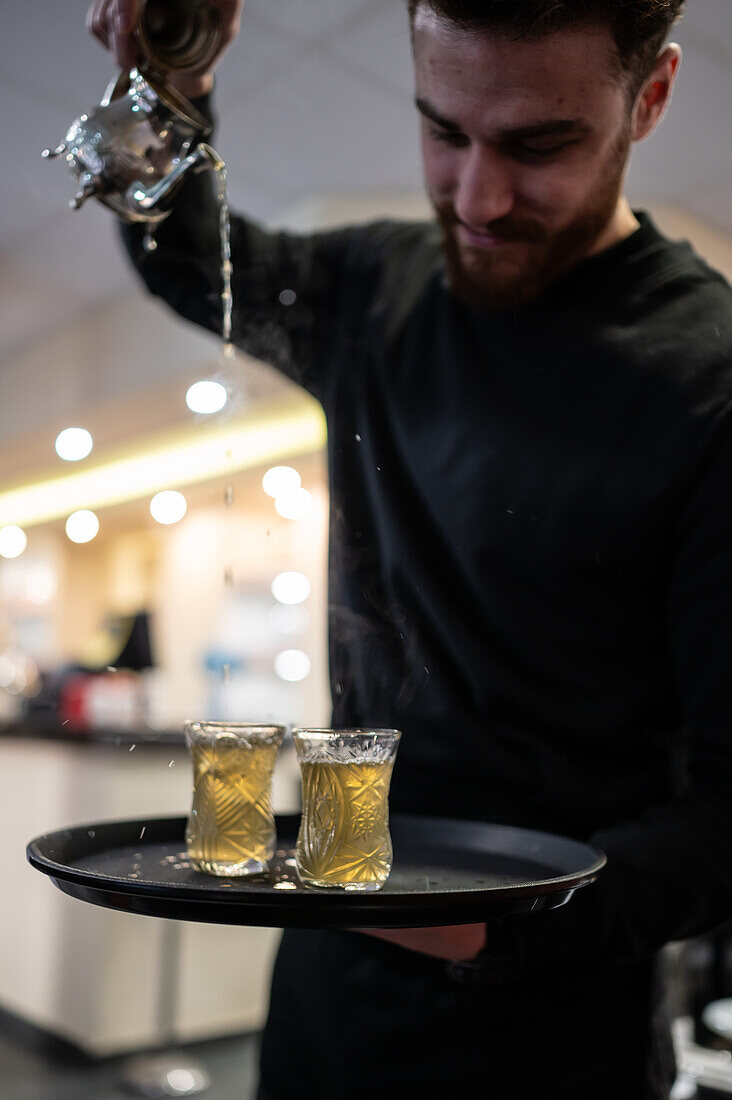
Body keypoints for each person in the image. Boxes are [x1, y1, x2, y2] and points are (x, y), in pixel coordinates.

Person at [88, 1, 732, 1096]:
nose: (478, 198)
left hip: (551, 1022)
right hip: (331, 989)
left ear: (652, 96)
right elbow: (194, 263)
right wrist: (169, 81)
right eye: (445, 131)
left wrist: (498, 932)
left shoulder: (708, 385)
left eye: (540, 146)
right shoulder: (376, 292)